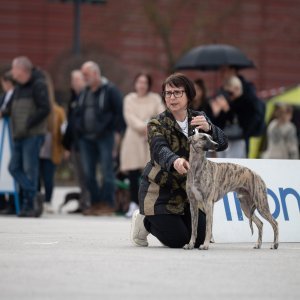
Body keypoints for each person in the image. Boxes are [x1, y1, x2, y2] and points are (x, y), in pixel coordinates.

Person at [131, 73, 228, 248]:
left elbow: (222, 144)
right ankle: (145, 221)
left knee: (197, 240)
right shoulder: (156, 123)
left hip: (188, 195)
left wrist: (210, 129)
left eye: (177, 93)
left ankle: (170, 222)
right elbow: (159, 149)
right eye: (168, 93)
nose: (172, 97)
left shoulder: (199, 119)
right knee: (178, 240)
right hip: (161, 191)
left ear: (189, 95)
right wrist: (175, 161)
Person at [74, 61, 125, 215]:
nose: (84, 78)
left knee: (106, 171)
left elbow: (119, 113)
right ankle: (96, 204)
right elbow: (77, 113)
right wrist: (79, 129)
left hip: (105, 137)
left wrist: (117, 134)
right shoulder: (84, 92)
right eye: (83, 75)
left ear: (96, 73)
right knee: (88, 173)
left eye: (86, 75)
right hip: (86, 139)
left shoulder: (110, 90)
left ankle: (108, 203)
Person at [8, 56, 50, 217]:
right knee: (14, 168)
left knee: (30, 170)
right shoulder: (18, 87)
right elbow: (12, 107)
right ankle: (34, 195)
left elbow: (45, 108)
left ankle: (29, 206)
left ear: (22, 69)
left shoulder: (38, 84)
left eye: (14, 68)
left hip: (32, 134)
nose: (12, 72)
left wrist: (28, 123)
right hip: (18, 134)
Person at [120, 72, 165, 218]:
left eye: (144, 82)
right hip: (133, 139)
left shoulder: (155, 98)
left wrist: (150, 126)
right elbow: (130, 118)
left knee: (149, 172)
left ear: (149, 84)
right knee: (133, 173)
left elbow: (161, 114)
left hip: (150, 139)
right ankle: (133, 203)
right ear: (135, 83)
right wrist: (145, 126)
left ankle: (148, 203)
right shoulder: (129, 99)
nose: (141, 85)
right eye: (139, 82)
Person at [62, 70, 90, 213]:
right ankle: (83, 202)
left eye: (78, 79)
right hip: (74, 143)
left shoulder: (87, 97)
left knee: (86, 174)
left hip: (85, 142)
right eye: (73, 80)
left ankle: (87, 203)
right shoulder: (73, 99)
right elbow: (69, 124)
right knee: (79, 175)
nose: (75, 82)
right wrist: (66, 145)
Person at [39, 73, 66, 213]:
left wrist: (65, 148)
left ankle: (48, 201)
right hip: (36, 148)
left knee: (48, 178)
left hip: (51, 150)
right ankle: (37, 200)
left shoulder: (58, 111)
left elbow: (63, 131)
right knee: (36, 177)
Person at [211, 76, 247, 158]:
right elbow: (217, 122)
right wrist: (217, 112)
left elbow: (242, 120)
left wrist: (227, 109)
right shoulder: (225, 99)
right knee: (221, 162)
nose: (229, 92)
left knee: (234, 162)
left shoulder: (243, 101)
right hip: (223, 137)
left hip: (237, 138)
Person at [0, 70, 16, 214]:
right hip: (2, 139)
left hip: (12, 138)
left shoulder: (16, 95)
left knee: (11, 169)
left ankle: (12, 202)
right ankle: (3, 202)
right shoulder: (4, 96)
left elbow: (12, 111)